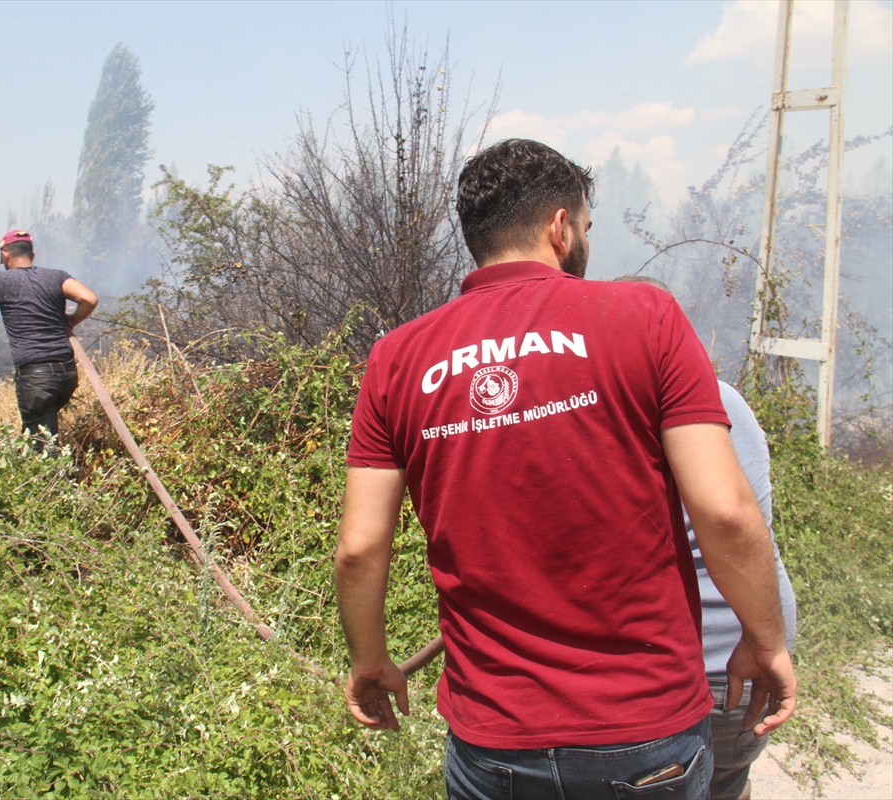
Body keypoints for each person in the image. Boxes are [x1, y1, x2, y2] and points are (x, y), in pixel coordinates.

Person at [334, 139, 797, 800]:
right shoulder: (646, 318)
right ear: (559, 226)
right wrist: (764, 637)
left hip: (493, 738)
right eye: (583, 226)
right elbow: (725, 511)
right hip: (645, 729)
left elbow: (358, 549)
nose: (583, 241)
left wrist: (370, 660)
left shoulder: (398, 359)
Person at [614, 275, 798, 800]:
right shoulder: (728, 400)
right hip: (749, 652)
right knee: (724, 782)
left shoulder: (617, 410)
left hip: (689, 666)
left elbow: (728, 518)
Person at [0, 230, 98, 446]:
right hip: (66, 375)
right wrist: (72, 320)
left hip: (36, 379)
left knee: (43, 449)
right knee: (39, 435)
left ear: (5, 256)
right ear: (32, 256)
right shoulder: (56, 276)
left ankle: (55, 478)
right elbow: (89, 299)